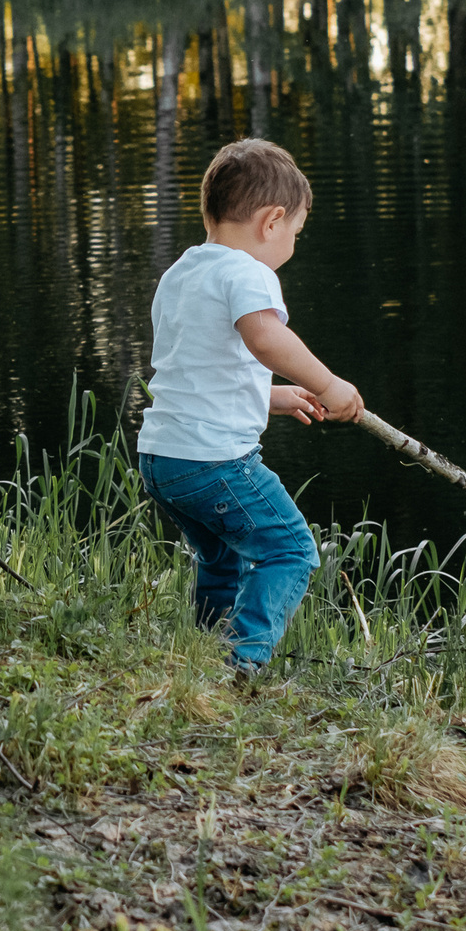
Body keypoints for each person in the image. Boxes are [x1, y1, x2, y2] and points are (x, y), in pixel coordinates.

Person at [138, 138, 364, 673]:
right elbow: (265, 339)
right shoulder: (249, 273)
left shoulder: (183, 273)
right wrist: (329, 384)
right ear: (273, 220)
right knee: (289, 551)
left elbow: (199, 372)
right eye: (296, 233)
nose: (292, 245)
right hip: (215, 462)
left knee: (221, 560)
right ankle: (243, 661)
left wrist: (269, 397)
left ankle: (206, 650)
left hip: (162, 458)